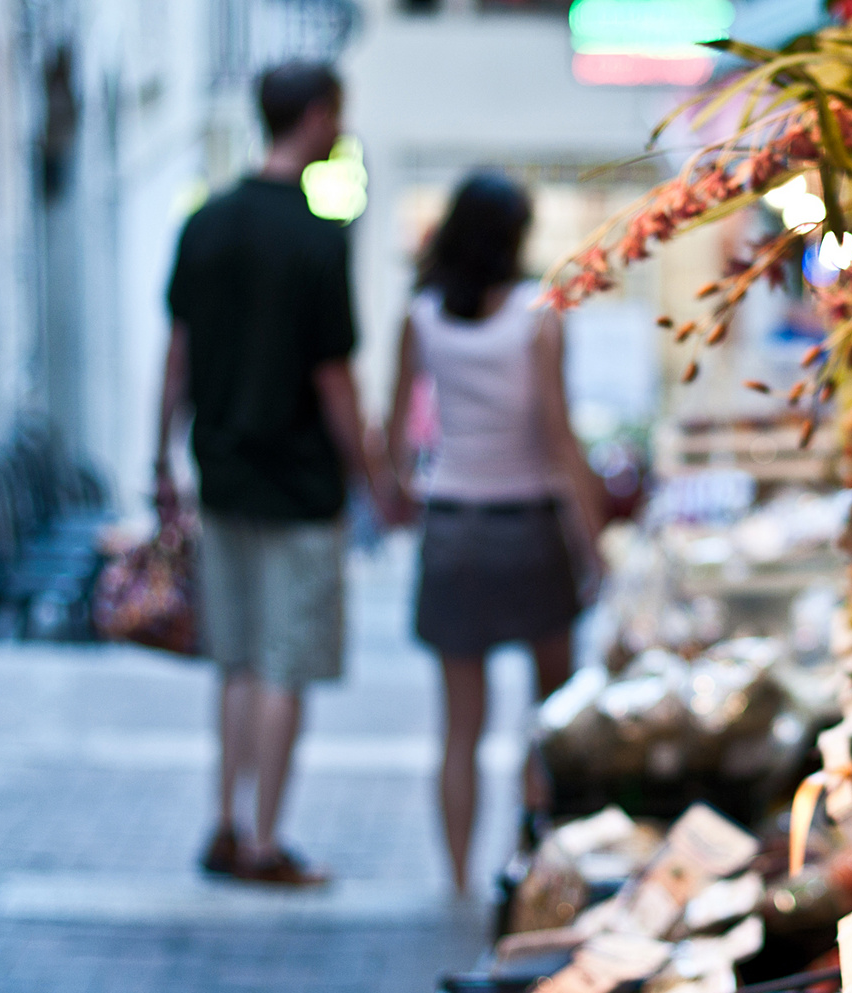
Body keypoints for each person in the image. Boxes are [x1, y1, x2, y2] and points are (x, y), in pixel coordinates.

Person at [154, 61, 401, 886]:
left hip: (221, 468)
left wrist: (160, 458)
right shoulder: (316, 239)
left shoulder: (206, 223)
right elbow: (336, 380)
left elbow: (177, 354)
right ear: (319, 115)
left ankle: (225, 823)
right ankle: (264, 839)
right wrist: (371, 478)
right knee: (283, 662)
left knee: (234, 658)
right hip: (298, 483)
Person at [384, 173, 605, 894]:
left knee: (460, 728)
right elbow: (557, 431)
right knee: (550, 716)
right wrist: (593, 536)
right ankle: (534, 863)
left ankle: (455, 880)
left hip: (452, 529)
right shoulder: (538, 315)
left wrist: (400, 499)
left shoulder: (420, 317)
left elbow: (392, 437)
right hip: (530, 528)